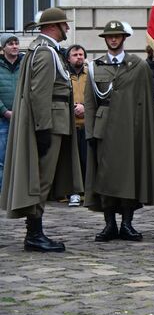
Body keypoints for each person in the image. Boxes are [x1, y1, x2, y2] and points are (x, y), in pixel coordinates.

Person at [0, 8, 82, 252]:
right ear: (53, 26)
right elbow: (40, 92)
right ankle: (34, 234)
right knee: (42, 179)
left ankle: (34, 232)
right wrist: (43, 127)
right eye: (64, 25)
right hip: (51, 122)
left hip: (55, 121)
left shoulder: (44, 50)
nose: (67, 28)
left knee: (43, 178)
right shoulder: (46, 53)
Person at [83, 21, 154, 241]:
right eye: (110, 36)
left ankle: (127, 223)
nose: (113, 39)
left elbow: (146, 100)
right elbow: (89, 103)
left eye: (117, 36)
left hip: (130, 128)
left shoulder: (138, 66)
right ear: (105, 39)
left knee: (129, 176)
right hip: (104, 128)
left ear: (124, 38)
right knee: (105, 177)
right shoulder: (95, 66)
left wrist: (145, 131)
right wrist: (90, 132)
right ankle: (109, 224)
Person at [0, 33, 23, 192]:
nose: (15, 46)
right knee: (2, 158)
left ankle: (17, 193)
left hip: (23, 117)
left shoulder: (25, 63)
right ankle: (3, 192)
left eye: (16, 43)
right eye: (10, 44)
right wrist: (4, 111)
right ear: (3, 47)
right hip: (3, 119)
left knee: (21, 156)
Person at [66, 45, 88, 207]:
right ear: (68, 58)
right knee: (72, 162)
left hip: (87, 125)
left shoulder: (90, 74)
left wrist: (85, 107)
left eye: (81, 54)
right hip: (70, 125)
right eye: (75, 54)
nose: (79, 57)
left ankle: (87, 193)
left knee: (86, 160)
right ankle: (73, 193)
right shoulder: (64, 75)